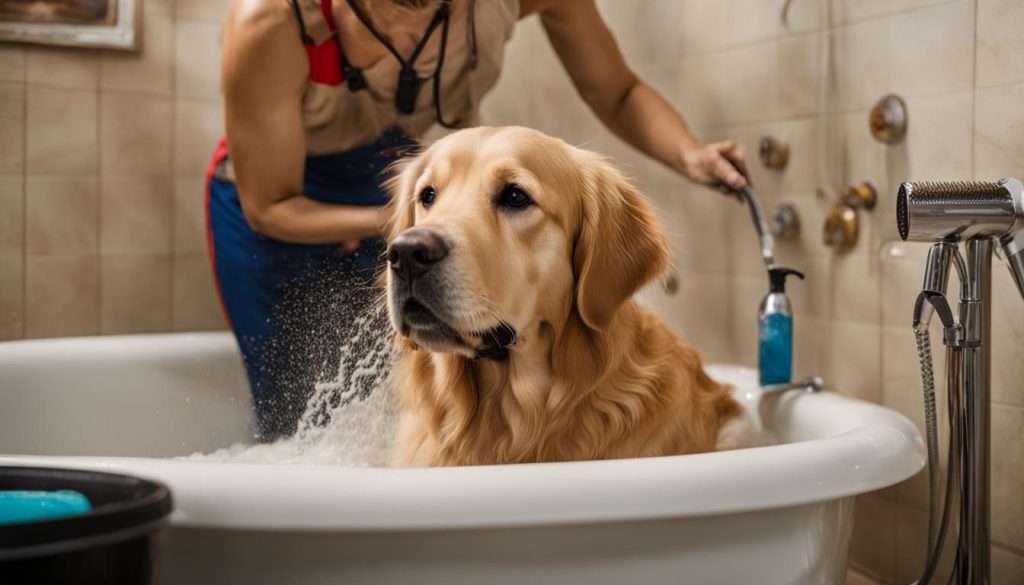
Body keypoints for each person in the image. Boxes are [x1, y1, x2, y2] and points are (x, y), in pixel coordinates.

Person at [206, 0, 751, 441]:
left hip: (413, 200)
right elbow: (271, 205)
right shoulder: (270, 21)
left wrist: (689, 154)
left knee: (395, 407)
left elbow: (616, 89)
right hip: (277, 215)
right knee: (300, 433)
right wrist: (417, 221)